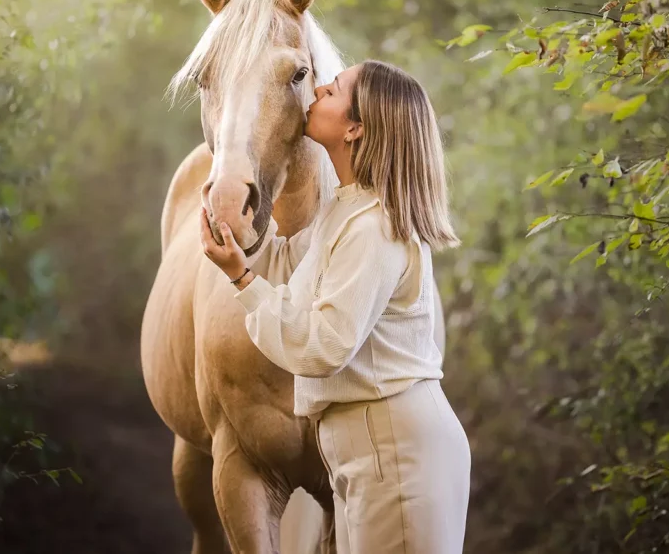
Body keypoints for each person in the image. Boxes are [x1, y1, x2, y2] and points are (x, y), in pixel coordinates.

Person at [200, 59, 470, 553]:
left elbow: (323, 347)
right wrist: (245, 245)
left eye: (337, 88)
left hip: (393, 447)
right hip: (367, 447)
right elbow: (288, 267)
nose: (320, 87)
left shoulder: (374, 228)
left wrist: (240, 278)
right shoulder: (347, 210)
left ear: (355, 127)